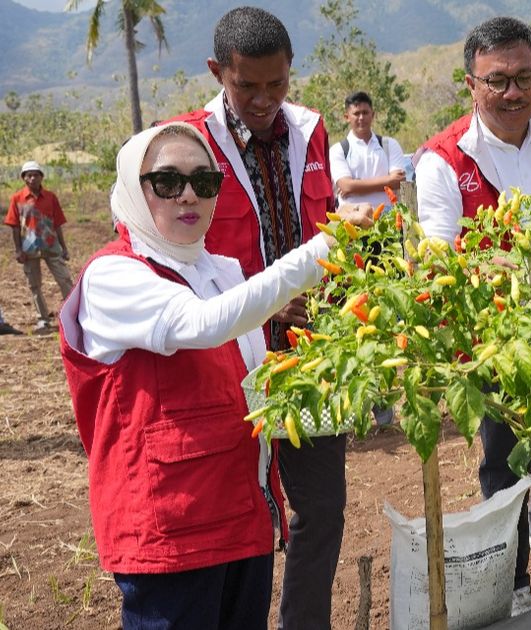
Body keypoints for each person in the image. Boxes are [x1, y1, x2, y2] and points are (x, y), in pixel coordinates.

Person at [58, 122, 373, 630]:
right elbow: (203, 325)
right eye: (167, 182)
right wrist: (323, 247)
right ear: (133, 192)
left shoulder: (218, 269)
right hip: (171, 528)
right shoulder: (114, 275)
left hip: (240, 514)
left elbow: (247, 375)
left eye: (205, 183)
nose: (189, 195)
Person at [413, 15, 531, 615]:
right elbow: (442, 259)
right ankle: (515, 583)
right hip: (492, 337)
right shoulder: (442, 160)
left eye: (525, 78)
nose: (512, 93)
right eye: (497, 81)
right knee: (502, 455)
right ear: (471, 84)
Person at [164, 7, 344, 628]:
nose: (264, 99)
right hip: (225, 368)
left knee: (321, 512)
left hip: (309, 358)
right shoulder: (185, 146)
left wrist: (331, 291)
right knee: (233, 521)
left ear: (291, 71)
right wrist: (262, 299)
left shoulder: (312, 132)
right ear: (218, 73)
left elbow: (326, 232)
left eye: (277, 84)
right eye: (248, 86)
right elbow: (162, 256)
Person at [7, 160, 72, 335]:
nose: (32, 178)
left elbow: (58, 223)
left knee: (65, 280)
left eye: (36, 174)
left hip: (51, 246)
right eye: (28, 175)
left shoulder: (50, 197)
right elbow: (14, 225)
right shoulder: (17, 198)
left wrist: (64, 247)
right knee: (34, 285)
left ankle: (73, 315)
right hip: (29, 248)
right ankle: (43, 319)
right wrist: (18, 250)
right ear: (23, 178)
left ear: (41, 177)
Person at [329, 91, 410, 208]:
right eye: (356, 113)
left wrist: (355, 187)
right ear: (347, 117)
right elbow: (346, 186)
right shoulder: (338, 150)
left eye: (365, 112)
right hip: (352, 221)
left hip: (388, 220)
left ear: (373, 114)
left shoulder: (389, 145)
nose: (361, 117)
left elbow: (398, 181)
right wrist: (389, 181)